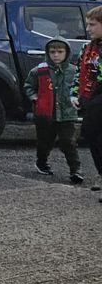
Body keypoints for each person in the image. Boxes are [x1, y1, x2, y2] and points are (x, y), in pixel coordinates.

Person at [24, 38, 82, 182]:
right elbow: (28, 86)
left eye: (60, 52)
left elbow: (80, 88)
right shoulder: (39, 71)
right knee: (45, 141)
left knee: (68, 141)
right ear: (47, 53)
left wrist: (78, 99)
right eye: (52, 52)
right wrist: (35, 98)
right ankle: (42, 162)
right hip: (45, 113)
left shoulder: (74, 71)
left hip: (67, 113)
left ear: (67, 53)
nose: (56, 55)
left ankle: (75, 170)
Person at [79, 7, 102, 197]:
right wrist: (74, 94)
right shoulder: (89, 48)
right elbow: (81, 72)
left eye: (93, 24)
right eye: (87, 24)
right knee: (92, 137)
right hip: (91, 99)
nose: (89, 28)